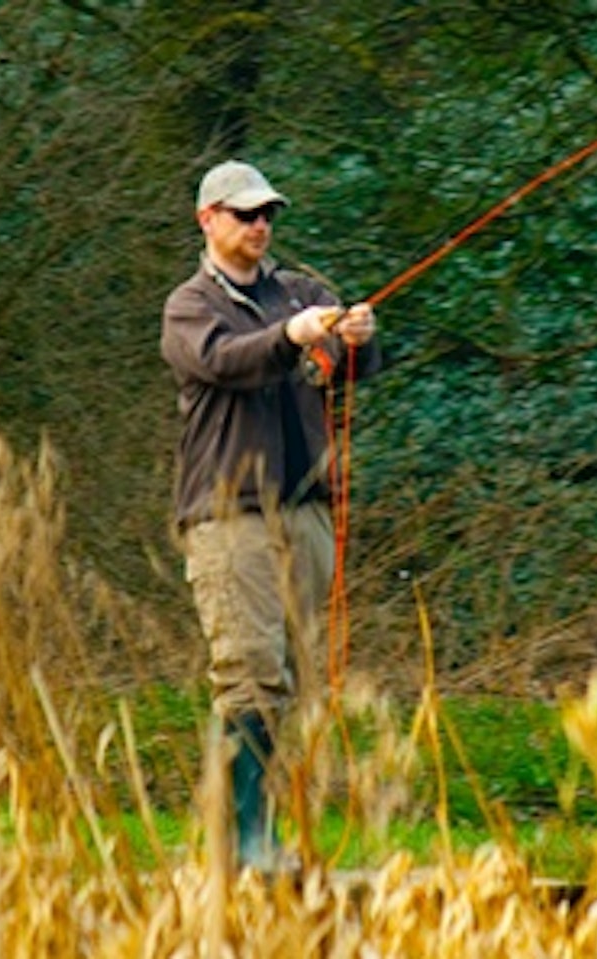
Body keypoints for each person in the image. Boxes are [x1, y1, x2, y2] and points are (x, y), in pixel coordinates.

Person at [160, 159, 381, 871]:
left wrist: (358, 336)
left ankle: (263, 834)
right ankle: (244, 842)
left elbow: (354, 370)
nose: (260, 225)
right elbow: (226, 362)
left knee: (288, 677)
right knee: (248, 670)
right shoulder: (190, 306)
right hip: (228, 516)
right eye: (245, 213)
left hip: (306, 511)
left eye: (268, 215)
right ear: (208, 219)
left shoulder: (303, 292)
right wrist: (292, 337)